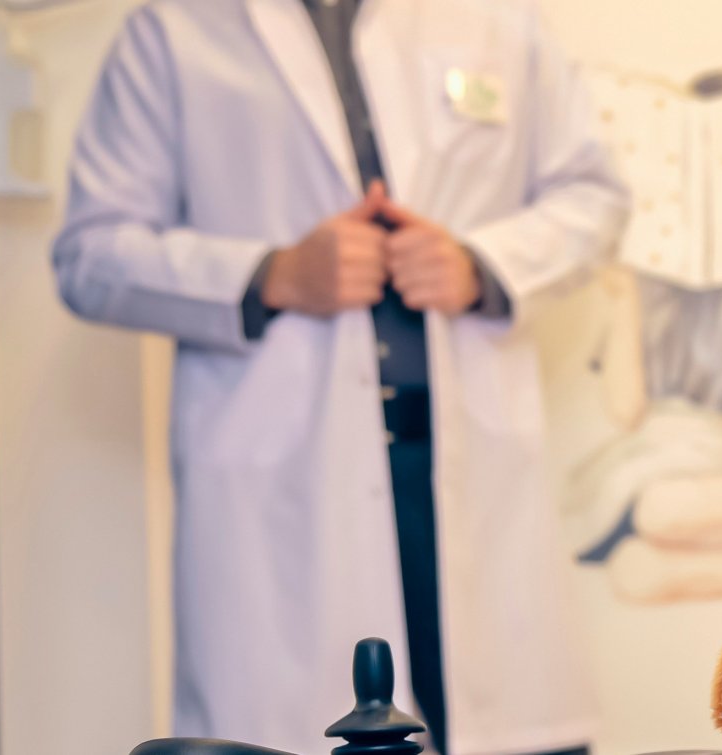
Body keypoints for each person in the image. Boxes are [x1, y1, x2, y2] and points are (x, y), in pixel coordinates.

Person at [51, 0, 625, 752]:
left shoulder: (497, 19)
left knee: (502, 724)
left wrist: (480, 264)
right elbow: (90, 253)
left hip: (465, 469)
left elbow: (594, 196)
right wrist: (270, 272)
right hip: (288, 488)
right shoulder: (175, 29)